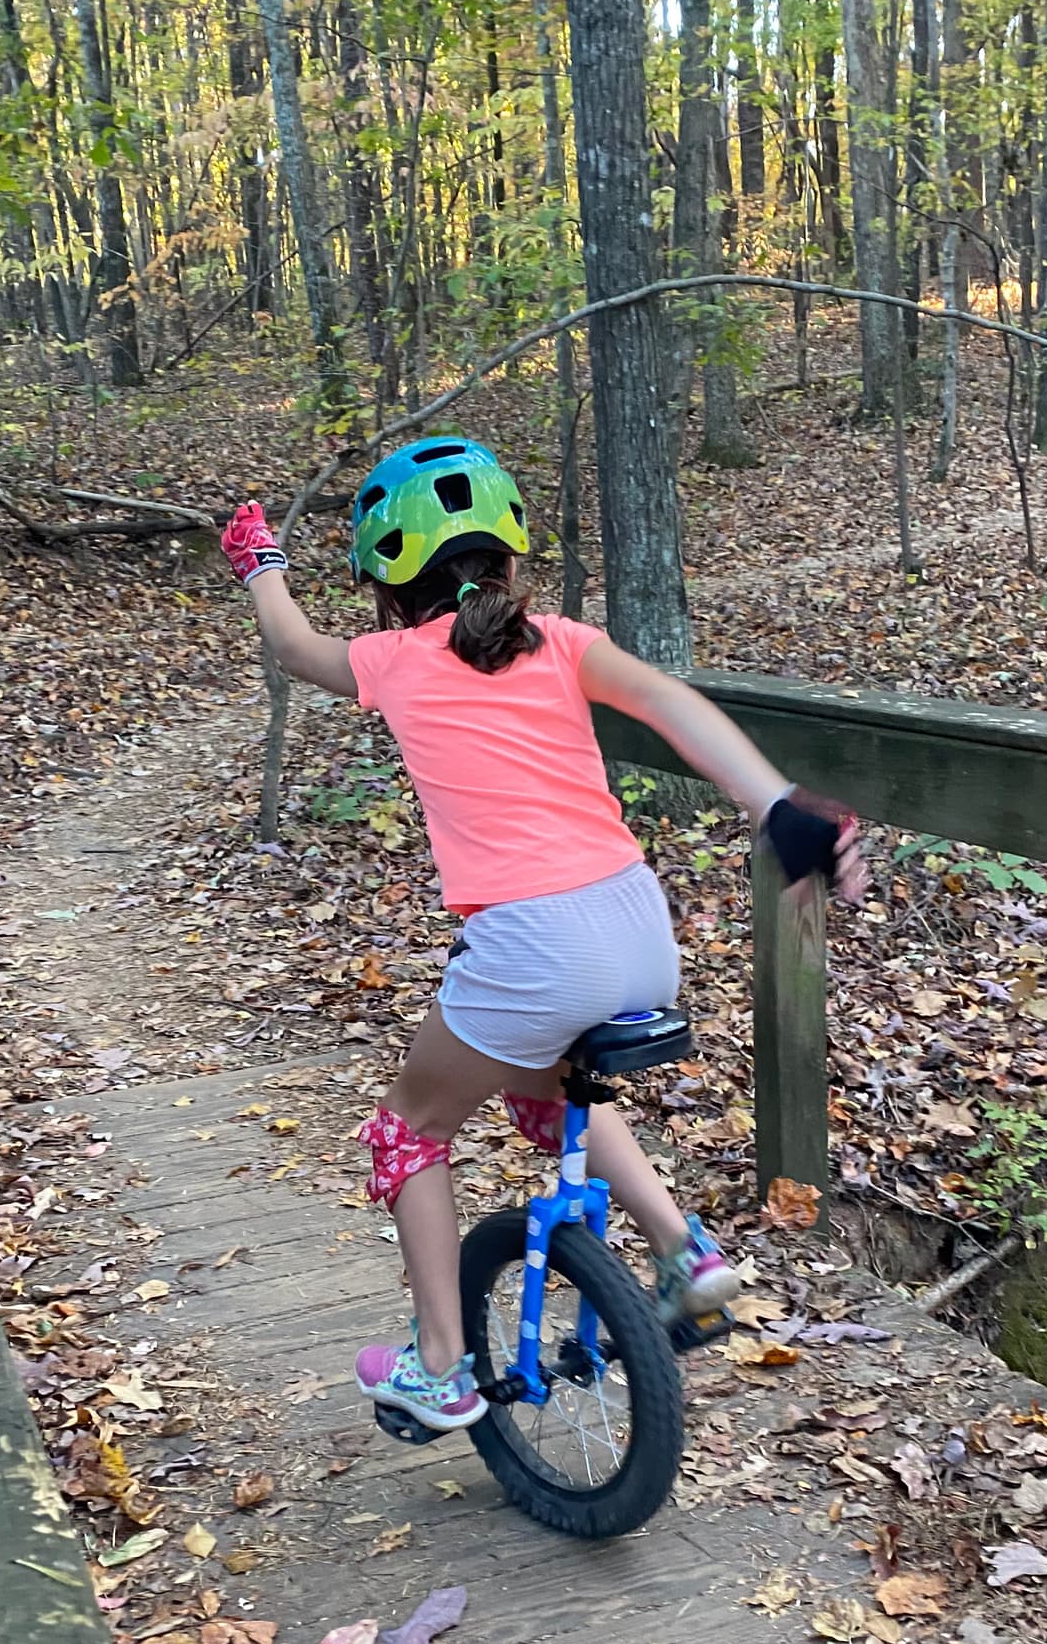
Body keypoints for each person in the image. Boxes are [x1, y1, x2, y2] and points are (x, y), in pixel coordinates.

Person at [220, 436, 866, 1434]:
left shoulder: (392, 659)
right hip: (638, 924)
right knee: (543, 1082)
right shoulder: (561, 642)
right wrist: (773, 802)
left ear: (388, 582)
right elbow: (669, 701)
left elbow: (293, 646)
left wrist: (260, 562)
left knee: (409, 1130)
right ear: (509, 556)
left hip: (535, 944)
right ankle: (684, 1249)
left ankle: (440, 1364)